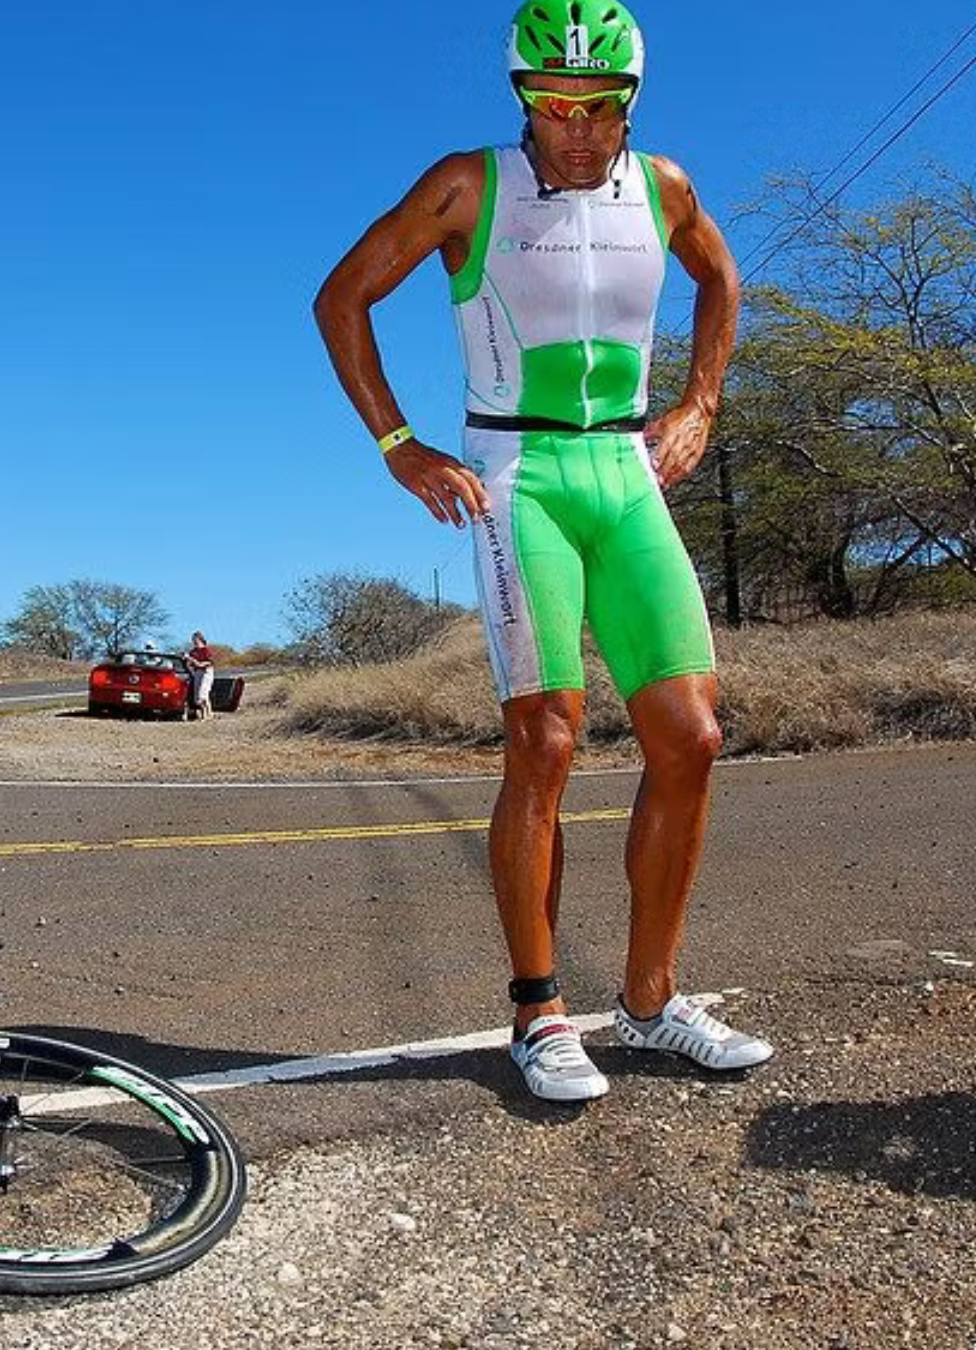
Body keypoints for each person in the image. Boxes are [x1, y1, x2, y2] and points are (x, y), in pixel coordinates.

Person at [312, 0, 770, 1101]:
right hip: (517, 473)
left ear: (630, 104)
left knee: (692, 736)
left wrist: (702, 402)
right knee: (546, 740)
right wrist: (398, 443)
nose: (576, 130)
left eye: (598, 108)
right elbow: (342, 297)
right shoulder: (467, 186)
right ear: (522, 99)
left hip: (625, 472)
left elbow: (719, 277)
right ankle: (539, 1012)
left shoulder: (664, 188)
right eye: (554, 107)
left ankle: (651, 1003)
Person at [184, 631, 215, 721]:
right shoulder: (193, 651)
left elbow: (205, 663)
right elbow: (190, 664)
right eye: (193, 640)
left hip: (206, 672)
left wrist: (191, 659)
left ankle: (205, 716)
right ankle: (210, 714)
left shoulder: (206, 650)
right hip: (197, 672)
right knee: (198, 696)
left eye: (195, 639)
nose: (194, 641)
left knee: (202, 694)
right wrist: (186, 659)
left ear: (200, 639)